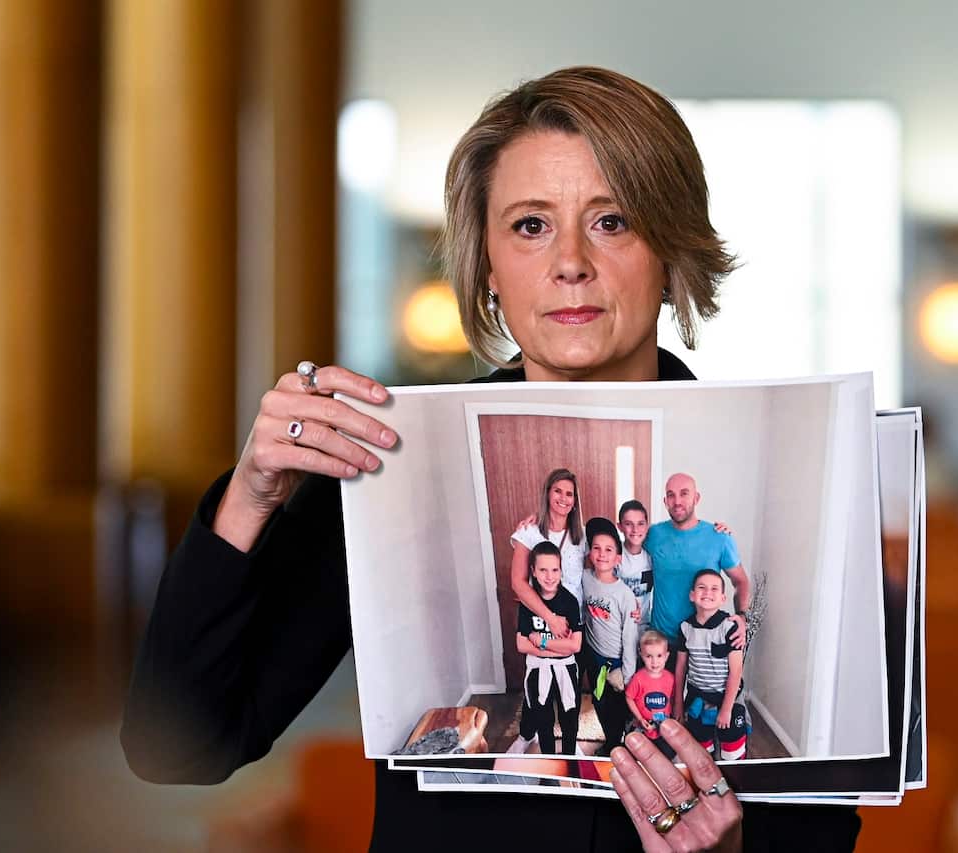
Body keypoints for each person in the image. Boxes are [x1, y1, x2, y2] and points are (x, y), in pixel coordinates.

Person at [120, 66, 860, 852]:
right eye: (531, 225)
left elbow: (833, 821)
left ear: (672, 249)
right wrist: (251, 495)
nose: (569, 261)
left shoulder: (822, 461)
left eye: (611, 221)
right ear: (490, 268)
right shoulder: (383, 463)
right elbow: (177, 747)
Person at [647, 473, 754, 653]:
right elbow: (624, 551)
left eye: (684, 493)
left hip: (704, 643)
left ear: (696, 498)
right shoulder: (654, 535)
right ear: (665, 501)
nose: (677, 501)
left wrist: (742, 617)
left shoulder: (719, 537)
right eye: (671, 495)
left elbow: (741, 581)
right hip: (661, 644)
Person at [515, 541, 583, 756]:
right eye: (543, 570)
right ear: (533, 571)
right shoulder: (528, 603)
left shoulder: (570, 602)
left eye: (554, 569)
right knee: (543, 721)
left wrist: (542, 642)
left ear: (561, 570)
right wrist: (560, 648)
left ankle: (570, 761)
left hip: (566, 671)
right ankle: (549, 762)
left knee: (569, 719)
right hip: (538, 671)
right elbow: (521, 644)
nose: (549, 576)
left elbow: (575, 646)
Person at [675, 570, 750, 762]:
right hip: (697, 698)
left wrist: (726, 709)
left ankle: (732, 786)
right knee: (701, 753)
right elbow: (681, 668)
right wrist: (678, 704)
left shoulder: (730, 627)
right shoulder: (685, 628)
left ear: (723, 598)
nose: (708, 592)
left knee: (732, 752)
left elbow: (736, 672)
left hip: (727, 699)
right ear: (692, 595)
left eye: (714, 589)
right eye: (702, 587)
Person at [581, 517, 639, 754]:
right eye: (596, 548)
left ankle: (619, 746)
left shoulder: (624, 594)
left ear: (618, 558)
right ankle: (612, 741)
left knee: (617, 709)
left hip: (616, 664)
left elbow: (630, 636)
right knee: (599, 702)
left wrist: (627, 673)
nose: (601, 554)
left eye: (608, 550)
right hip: (595, 658)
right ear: (589, 552)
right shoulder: (584, 578)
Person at [511, 469, 587, 639]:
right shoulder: (529, 532)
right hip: (540, 624)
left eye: (569, 494)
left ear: (574, 501)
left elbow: (610, 554)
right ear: (547, 494)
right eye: (557, 491)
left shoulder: (583, 536)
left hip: (574, 625)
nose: (563, 498)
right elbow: (517, 582)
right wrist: (550, 619)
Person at [624, 630, 677, 760]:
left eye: (659, 656)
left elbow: (673, 700)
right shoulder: (638, 678)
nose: (654, 662)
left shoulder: (671, 678)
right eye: (649, 656)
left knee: (667, 755)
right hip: (643, 727)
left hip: (663, 729)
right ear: (641, 655)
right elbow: (629, 697)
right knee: (637, 755)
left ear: (666, 656)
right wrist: (640, 718)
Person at [615, 500, 654, 632]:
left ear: (647, 526)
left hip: (644, 628)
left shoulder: (652, 556)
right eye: (628, 524)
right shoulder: (613, 553)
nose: (635, 530)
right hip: (617, 627)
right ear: (620, 527)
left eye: (640, 524)